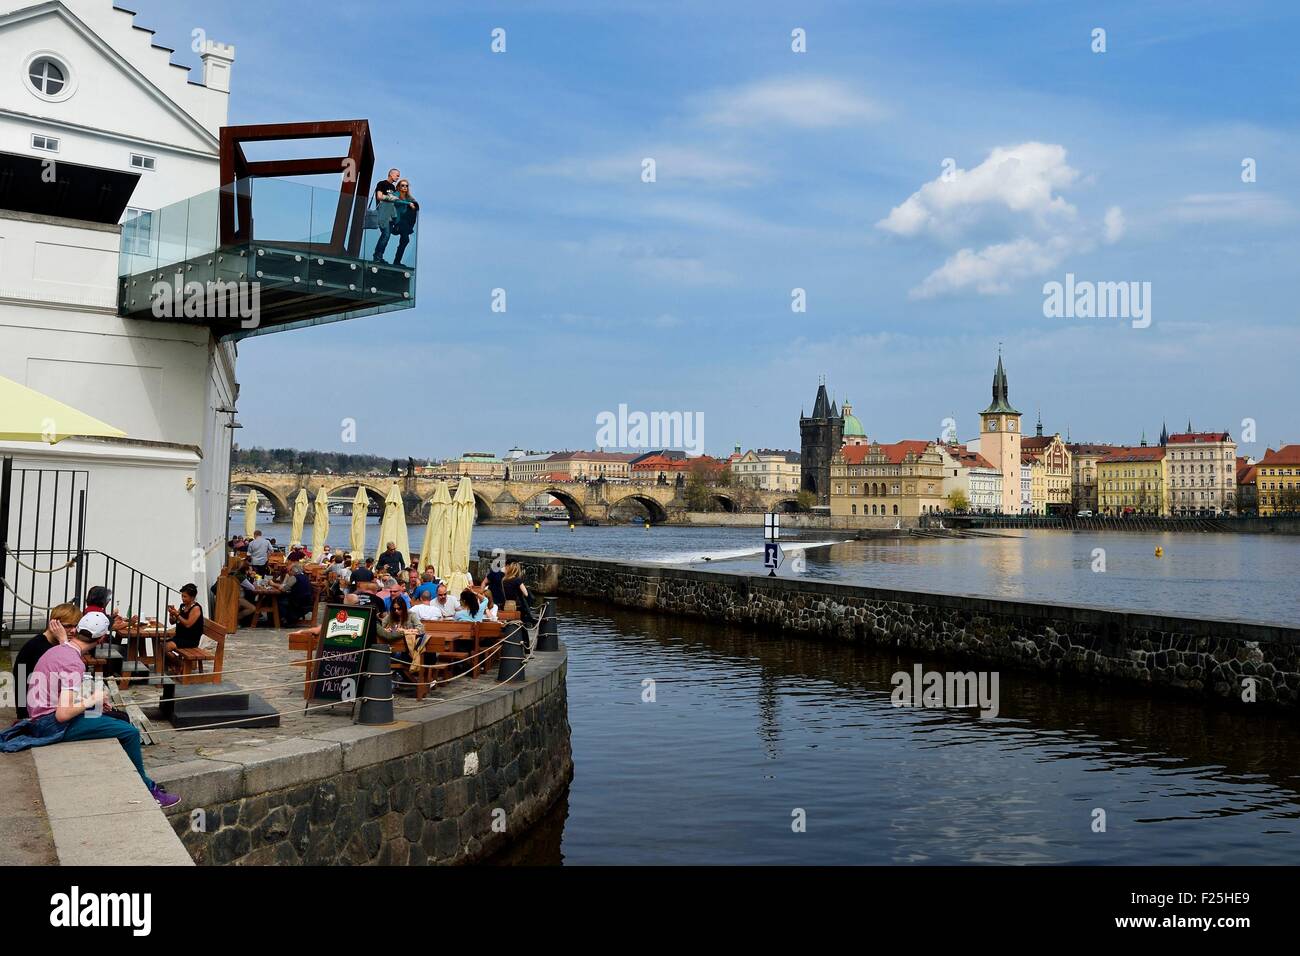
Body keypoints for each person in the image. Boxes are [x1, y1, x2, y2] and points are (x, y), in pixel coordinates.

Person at [0, 612, 180, 808]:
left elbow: (59, 692)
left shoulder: (58, 651)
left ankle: (135, 779)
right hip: (51, 724)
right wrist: (93, 698)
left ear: (76, 631)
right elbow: (62, 714)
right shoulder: (73, 662)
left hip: (40, 716)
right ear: (102, 639)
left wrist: (91, 701)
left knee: (116, 718)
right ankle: (148, 790)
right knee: (130, 732)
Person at [10, 603, 81, 721]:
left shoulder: (60, 644)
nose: (73, 630)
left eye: (76, 626)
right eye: (67, 626)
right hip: (38, 714)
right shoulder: (35, 647)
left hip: (54, 706)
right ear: (53, 624)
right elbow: (20, 682)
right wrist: (23, 717)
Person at [163, 585, 204, 671]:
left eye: (185, 596)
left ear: (192, 597)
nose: (183, 598)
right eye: (182, 596)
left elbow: (188, 624)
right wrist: (172, 614)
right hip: (180, 637)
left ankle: (181, 665)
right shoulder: (183, 606)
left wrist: (177, 614)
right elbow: (172, 622)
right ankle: (177, 665)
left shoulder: (196, 608)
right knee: (160, 645)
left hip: (190, 640)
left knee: (165, 647)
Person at [372, 167, 401, 261]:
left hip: (390, 215)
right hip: (382, 213)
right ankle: (377, 255)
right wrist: (391, 198)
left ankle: (379, 255)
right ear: (391, 174)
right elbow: (379, 196)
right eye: (397, 175)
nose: (398, 177)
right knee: (386, 234)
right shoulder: (382, 183)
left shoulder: (393, 187)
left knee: (386, 235)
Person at [390, 178, 419, 267]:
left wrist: (413, 205)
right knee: (405, 240)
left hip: (406, 223)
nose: (405, 187)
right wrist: (408, 204)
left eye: (406, 186)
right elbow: (395, 201)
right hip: (399, 221)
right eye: (402, 185)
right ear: (398, 187)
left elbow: (415, 206)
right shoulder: (396, 194)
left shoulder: (409, 198)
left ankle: (397, 261)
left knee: (405, 241)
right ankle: (396, 261)